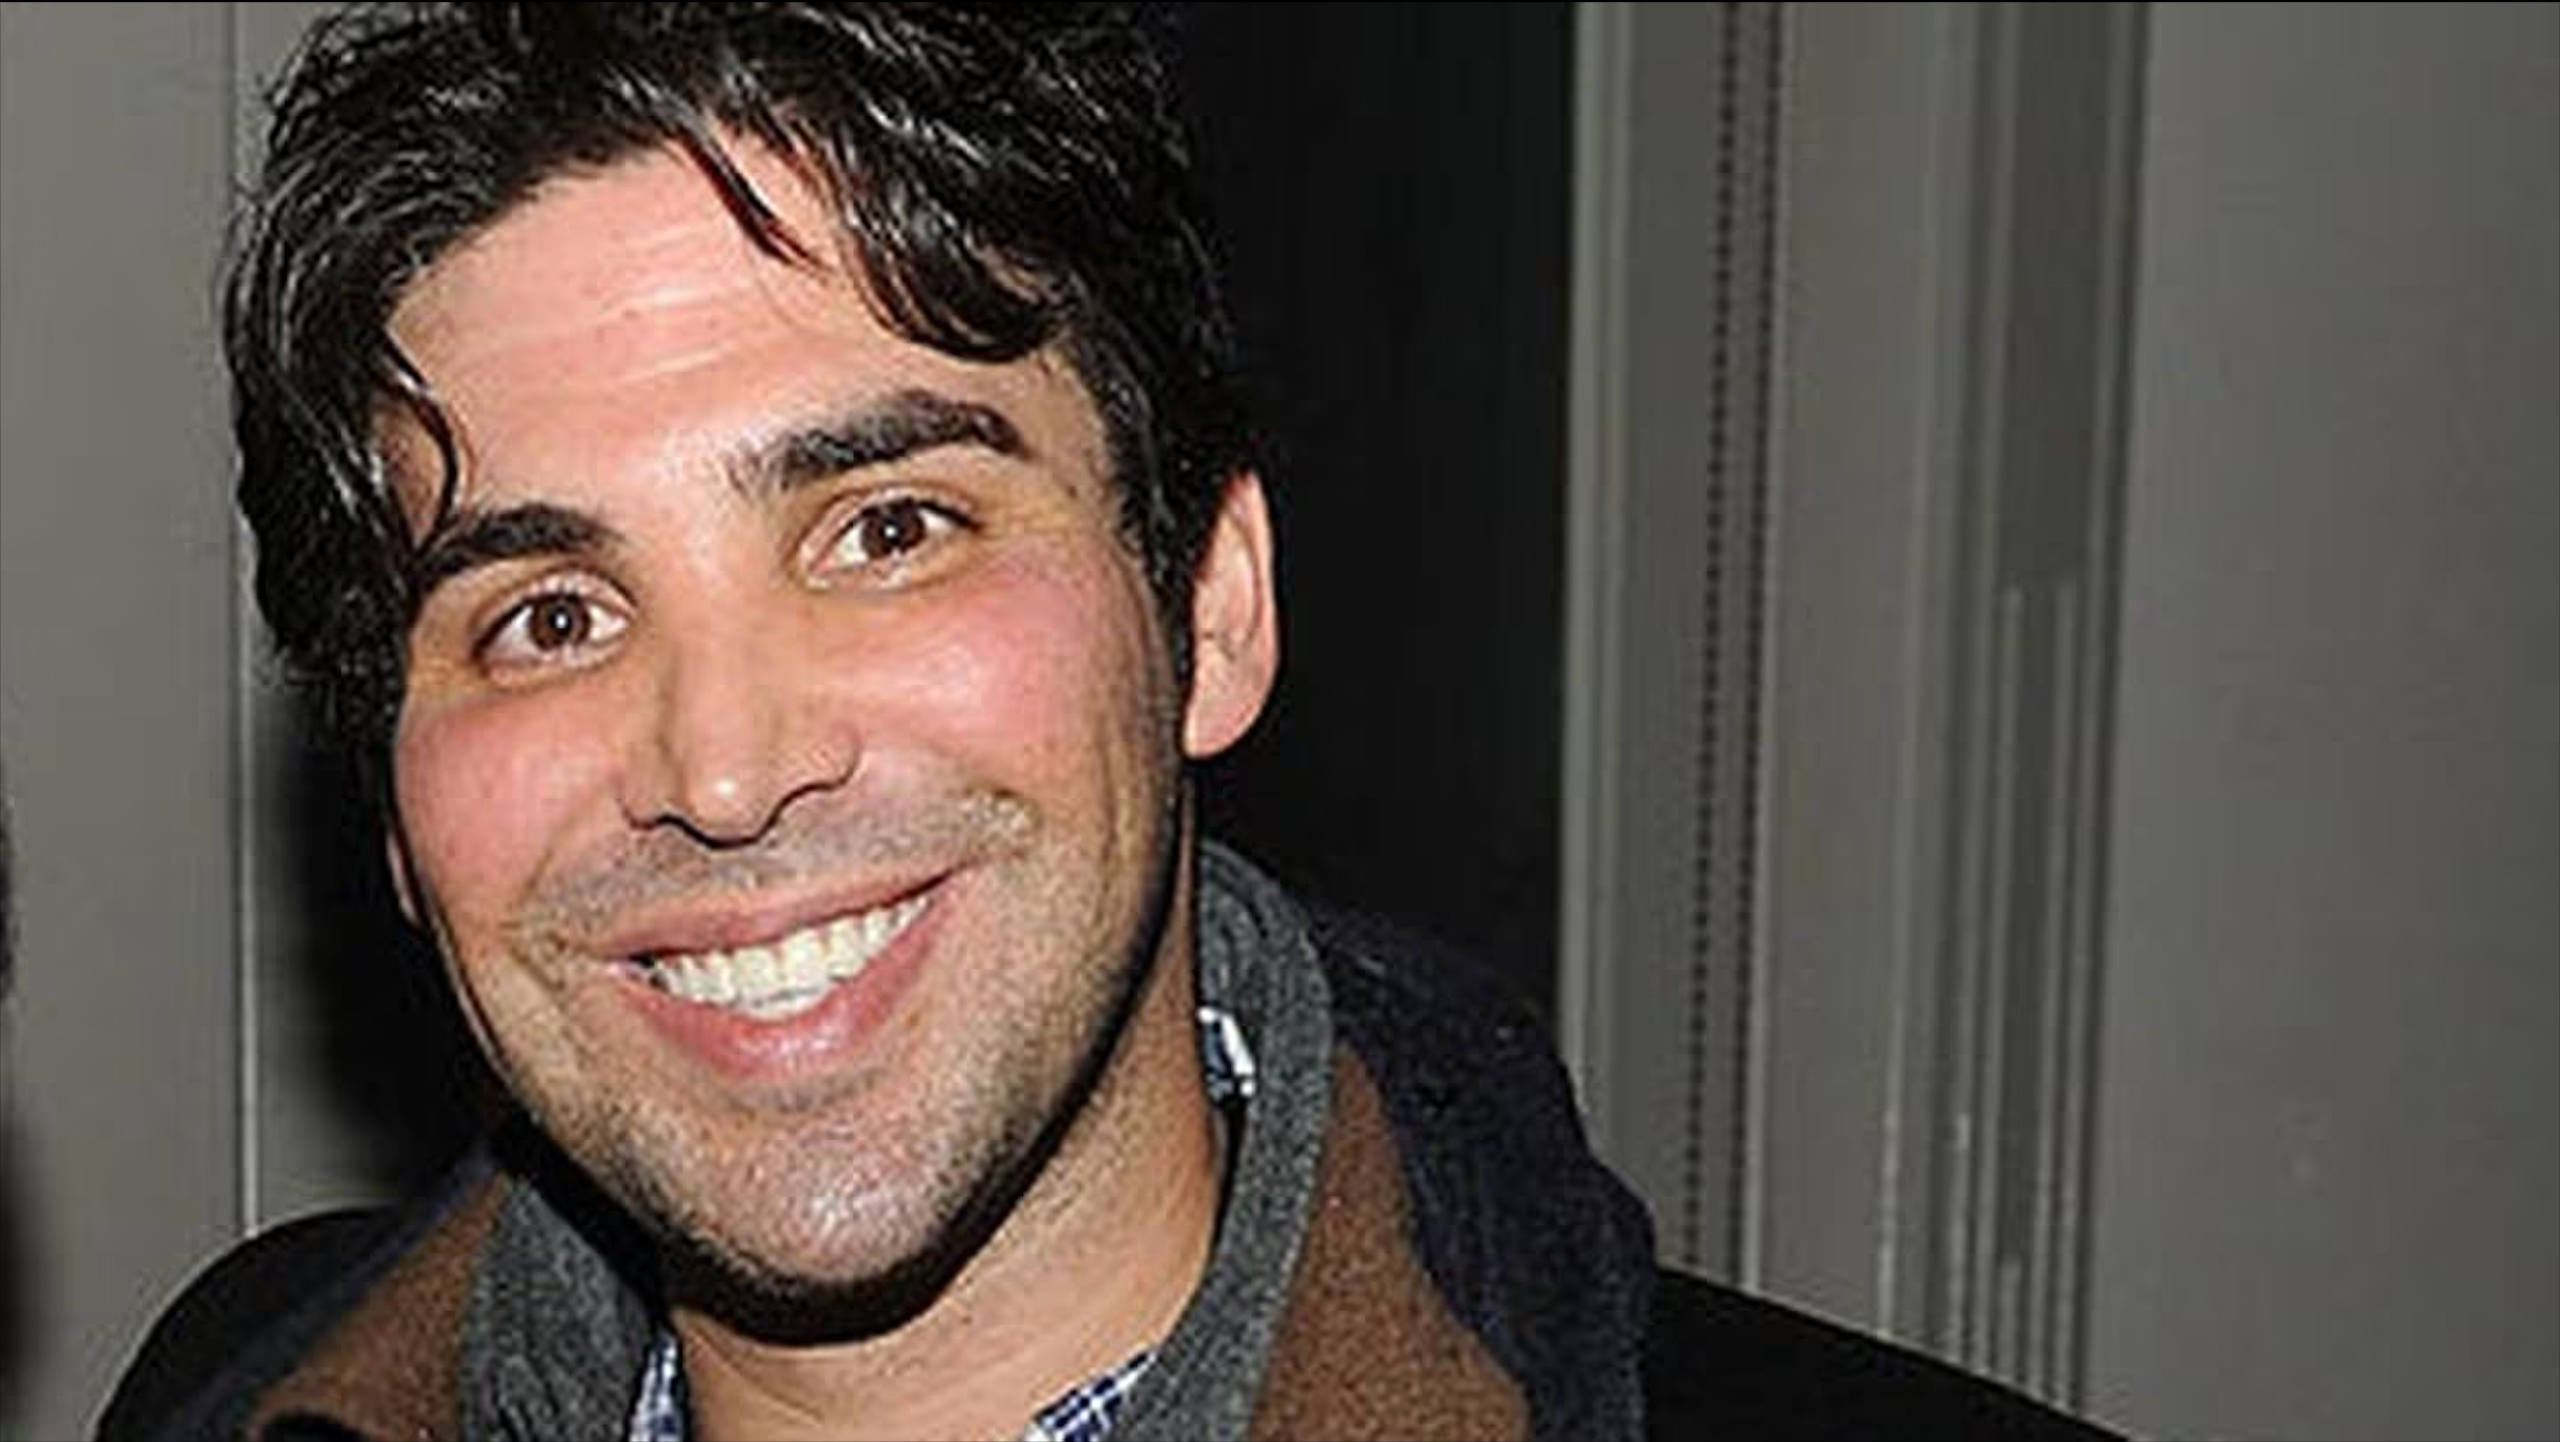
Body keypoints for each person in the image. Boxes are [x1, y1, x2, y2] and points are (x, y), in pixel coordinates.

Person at [102, 6, 2116, 1439]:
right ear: (395, 814)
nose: (721, 767)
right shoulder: (233, 1386)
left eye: (889, 528)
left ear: (1207, 607)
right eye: (549, 615)